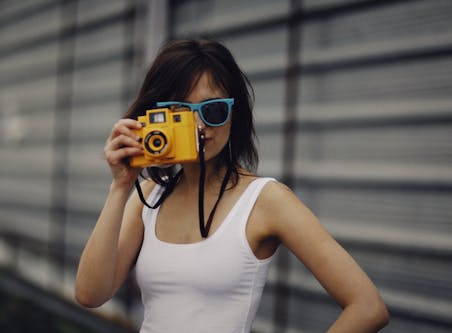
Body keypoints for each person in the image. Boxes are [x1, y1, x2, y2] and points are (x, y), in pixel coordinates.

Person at [75, 39, 389, 333]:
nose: (199, 126)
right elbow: (90, 294)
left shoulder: (265, 200)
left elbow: (368, 307)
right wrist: (120, 187)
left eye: (213, 111)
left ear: (233, 114)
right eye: (181, 112)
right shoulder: (147, 198)